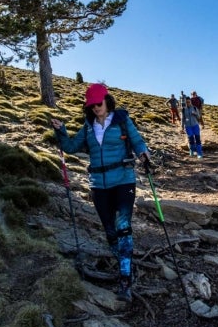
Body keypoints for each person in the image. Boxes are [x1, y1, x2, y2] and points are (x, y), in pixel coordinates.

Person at [51, 83, 150, 303]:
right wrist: (61, 130)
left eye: (98, 103)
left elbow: (137, 141)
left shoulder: (122, 120)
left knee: (123, 226)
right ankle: (126, 263)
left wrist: (143, 153)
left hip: (124, 180)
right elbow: (70, 146)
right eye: (91, 105)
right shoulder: (88, 126)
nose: (96, 107)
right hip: (98, 184)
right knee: (110, 231)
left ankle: (125, 278)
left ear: (107, 100)